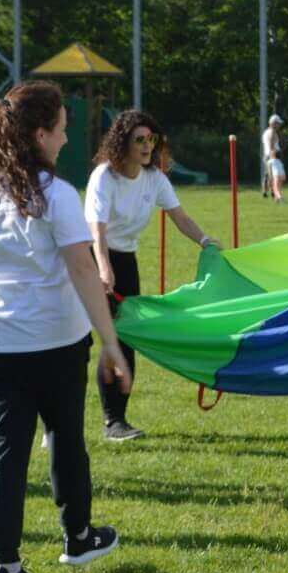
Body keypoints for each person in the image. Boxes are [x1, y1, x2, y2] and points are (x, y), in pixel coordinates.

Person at [0, 81, 133, 573]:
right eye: (61, 130)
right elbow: (83, 270)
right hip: (56, 343)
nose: (66, 140)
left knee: (8, 449)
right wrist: (110, 343)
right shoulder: (57, 195)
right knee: (65, 435)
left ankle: (6, 568)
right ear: (40, 135)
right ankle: (78, 538)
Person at [86, 110, 218, 441]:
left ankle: (115, 421)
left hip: (125, 261)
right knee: (75, 343)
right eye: (139, 140)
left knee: (123, 337)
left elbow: (180, 217)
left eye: (151, 139)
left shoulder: (154, 178)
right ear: (123, 143)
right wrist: (103, 267)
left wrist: (205, 241)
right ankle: (54, 424)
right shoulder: (104, 176)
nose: (147, 146)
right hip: (91, 257)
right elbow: (96, 230)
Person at [262, 114, 286, 203]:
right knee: (276, 176)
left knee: (268, 175)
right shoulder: (272, 132)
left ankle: (266, 192)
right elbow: (271, 145)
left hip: (268, 155)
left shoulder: (266, 132)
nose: (279, 125)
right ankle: (275, 194)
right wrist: (274, 155)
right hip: (272, 156)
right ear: (273, 123)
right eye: (278, 123)